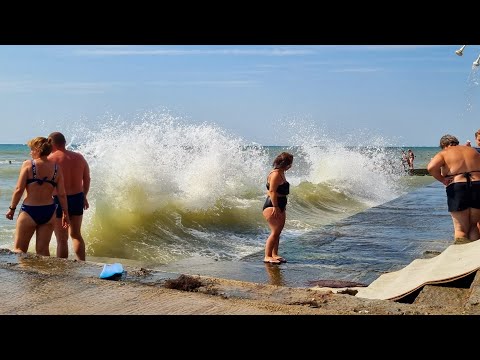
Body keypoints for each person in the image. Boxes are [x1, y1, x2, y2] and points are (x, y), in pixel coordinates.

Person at [5, 137, 69, 255]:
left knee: (19, 250)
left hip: (29, 211)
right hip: (49, 212)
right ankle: (44, 273)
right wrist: (65, 212)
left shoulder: (28, 164)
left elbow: (19, 189)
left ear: (38, 150)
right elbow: (62, 194)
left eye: (32, 149)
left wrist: (12, 209)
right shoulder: (56, 168)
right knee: (43, 251)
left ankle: (24, 273)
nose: (30, 152)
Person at [427, 134, 480, 244]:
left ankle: (460, 257)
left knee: (460, 229)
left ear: (444, 145)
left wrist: (442, 180)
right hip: (477, 185)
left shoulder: (444, 153)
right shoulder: (472, 150)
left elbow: (431, 167)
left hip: (458, 186)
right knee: (473, 225)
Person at [47, 132, 90, 261]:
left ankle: (62, 268)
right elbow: (87, 178)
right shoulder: (79, 157)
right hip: (77, 197)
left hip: (58, 200)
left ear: (50, 143)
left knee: (61, 239)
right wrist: (84, 195)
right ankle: (82, 262)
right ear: (64, 143)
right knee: (76, 235)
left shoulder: (50, 159)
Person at [262, 152, 293, 264]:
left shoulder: (281, 172)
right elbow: (271, 191)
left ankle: (274, 254)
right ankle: (267, 256)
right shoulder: (275, 174)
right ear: (286, 164)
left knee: (278, 232)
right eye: (290, 164)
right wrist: (275, 206)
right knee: (275, 232)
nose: (291, 166)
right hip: (272, 205)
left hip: (280, 204)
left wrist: (282, 206)